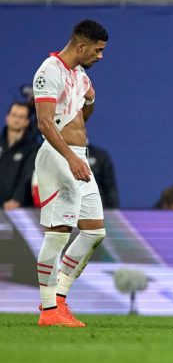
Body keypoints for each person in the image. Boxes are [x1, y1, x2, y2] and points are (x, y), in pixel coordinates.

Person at [32, 19, 109, 327]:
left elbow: (88, 101)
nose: (100, 57)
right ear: (81, 46)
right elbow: (44, 123)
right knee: (58, 232)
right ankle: (49, 310)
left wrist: (84, 110)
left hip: (78, 157)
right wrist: (70, 156)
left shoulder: (78, 74)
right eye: (98, 50)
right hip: (58, 156)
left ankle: (59, 297)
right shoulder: (48, 71)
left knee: (94, 230)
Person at [1, 102, 38, 210]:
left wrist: (17, 199)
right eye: (14, 115)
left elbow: (28, 176)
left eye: (21, 117)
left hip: (19, 209)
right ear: (7, 118)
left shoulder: (33, 148)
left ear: (27, 122)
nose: (16, 120)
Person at [87, 141, 119, 208]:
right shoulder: (62, 154)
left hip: (96, 207)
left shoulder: (99, 155)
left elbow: (109, 186)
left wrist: (112, 211)